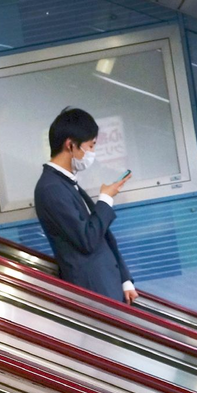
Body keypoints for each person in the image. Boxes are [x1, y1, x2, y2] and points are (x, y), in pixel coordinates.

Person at [34, 108, 137, 304]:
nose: (92, 153)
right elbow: (87, 239)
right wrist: (105, 200)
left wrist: (124, 279)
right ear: (70, 144)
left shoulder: (66, 183)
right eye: (90, 146)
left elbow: (103, 237)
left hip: (106, 286)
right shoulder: (50, 188)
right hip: (93, 292)